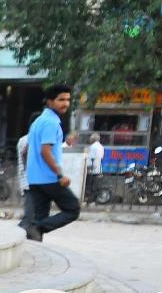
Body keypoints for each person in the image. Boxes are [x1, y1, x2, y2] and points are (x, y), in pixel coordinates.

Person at [21, 84, 79, 241]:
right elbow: (45, 151)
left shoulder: (38, 121)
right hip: (49, 178)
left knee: (40, 217)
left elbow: (28, 151)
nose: (65, 103)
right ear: (50, 102)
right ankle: (36, 228)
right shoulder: (50, 123)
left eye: (67, 99)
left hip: (34, 178)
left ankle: (34, 246)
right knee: (73, 208)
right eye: (61, 100)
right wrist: (59, 174)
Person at [83, 134, 105, 201]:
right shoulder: (101, 146)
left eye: (90, 138)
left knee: (89, 185)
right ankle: (92, 200)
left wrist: (86, 167)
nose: (89, 139)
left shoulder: (92, 147)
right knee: (95, 186)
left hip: (91, 169)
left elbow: (90, 158)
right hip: (98, 168)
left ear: (93, 139)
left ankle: (88, 199)